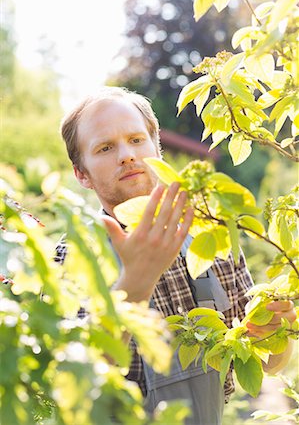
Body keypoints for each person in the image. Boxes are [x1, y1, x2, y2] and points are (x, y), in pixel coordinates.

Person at [60, 86, 295, 424]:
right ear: (81, 173)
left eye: (136, 140)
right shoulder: (73, 257)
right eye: (105, 147)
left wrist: (275, 332)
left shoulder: (207, 233)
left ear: (157, 148)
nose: (126, 154)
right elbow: (73, 387)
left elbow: (264, 361)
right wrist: (134, 286)